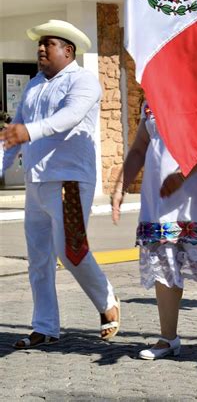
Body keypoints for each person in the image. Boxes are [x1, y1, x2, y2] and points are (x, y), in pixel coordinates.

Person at [0, 19, 119, 349]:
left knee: (70, 252)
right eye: (39, 44)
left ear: (68, 51)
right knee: (38, 258)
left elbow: (68, 117)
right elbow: (14, 134)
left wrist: (29, 131)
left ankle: (107, 301)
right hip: (36, 181)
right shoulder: (34, 85)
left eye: (47, 44)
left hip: (68, 180)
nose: (40, 48)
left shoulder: (84, 81)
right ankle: (45, 326)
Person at [111, 104, 197, 360]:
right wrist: (122, 185)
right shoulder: (153, 96)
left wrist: (181, 175)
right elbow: (141, 145)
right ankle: (168, 338)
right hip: (162, 193)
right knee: (164, 261)